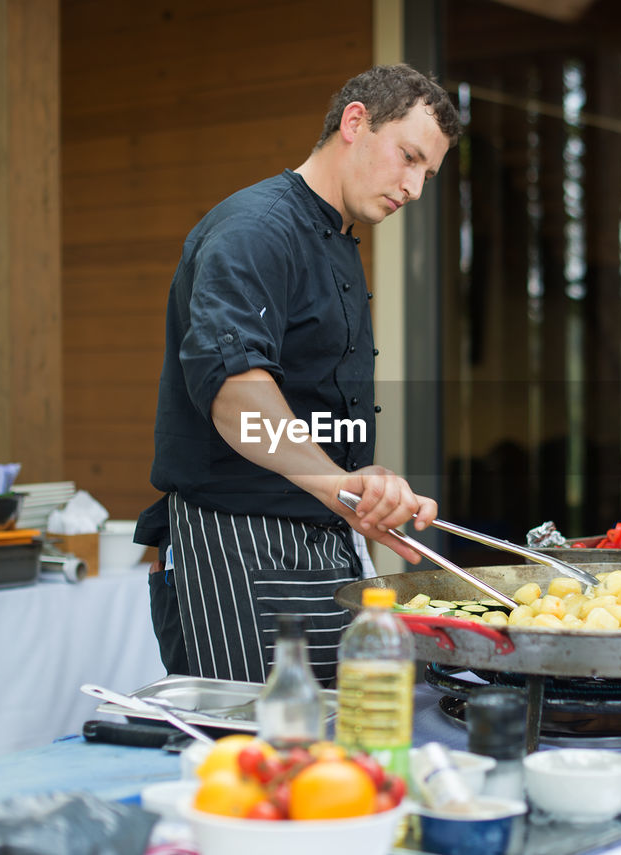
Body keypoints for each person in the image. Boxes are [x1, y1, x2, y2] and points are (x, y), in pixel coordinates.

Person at [135, 64, 461, 686]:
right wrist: (341, 488)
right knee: (258, 754)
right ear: (355, 122)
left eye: (428, 173)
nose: (415, 187)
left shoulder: (335, 235)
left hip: (318, 544)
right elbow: (236, 396)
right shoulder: (256, 231)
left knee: (331, 749)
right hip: (234, 547)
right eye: (409, 157)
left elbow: (308, 407)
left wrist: (360, 480)